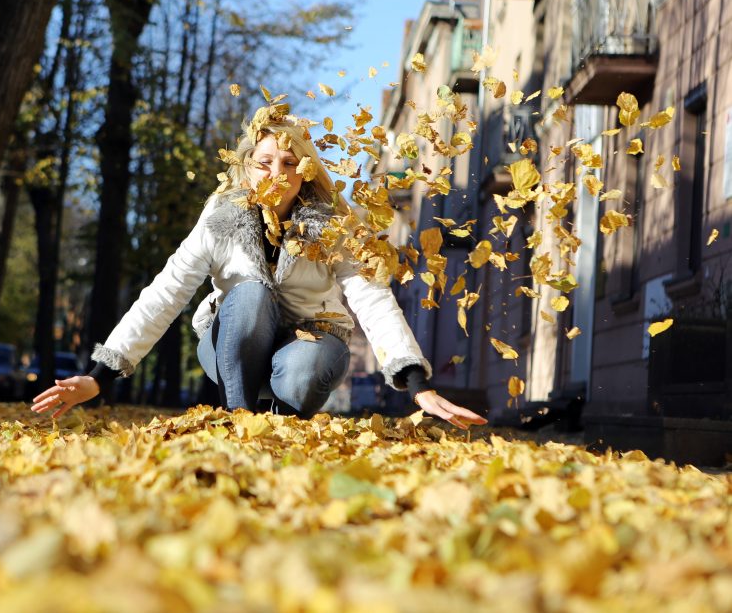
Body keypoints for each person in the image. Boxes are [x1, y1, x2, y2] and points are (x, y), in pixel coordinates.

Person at [32, 106, 486, 430]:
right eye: (264, 162)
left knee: (306, 370)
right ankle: (239, 420)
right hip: (232, 342)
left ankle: (283, 428)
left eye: (289, 163)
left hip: (311, 343)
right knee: (248, 294)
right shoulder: (219, 219)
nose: (276, 172)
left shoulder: (334, 225)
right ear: (247, 168)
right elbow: (165, 293)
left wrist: (416, 383)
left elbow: (371, 296)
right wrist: (100, 376)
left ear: (305, 171)